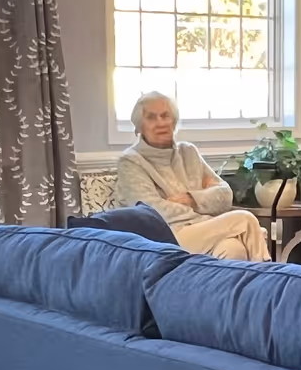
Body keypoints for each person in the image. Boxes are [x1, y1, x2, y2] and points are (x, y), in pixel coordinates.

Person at [114, 92, 271, 261]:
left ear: (174, 121)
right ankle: (267, 282)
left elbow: (225, 195)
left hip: (201, 231)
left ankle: (224, 288)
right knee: (244, 220)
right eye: (151, 117)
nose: (160, 123)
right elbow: (152, 212)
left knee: (233, 249)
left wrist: (192, 198)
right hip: (160, 238)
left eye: (165, 115)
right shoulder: (130, 161)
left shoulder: (188, 152)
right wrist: (204, 205)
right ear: (139, 126)